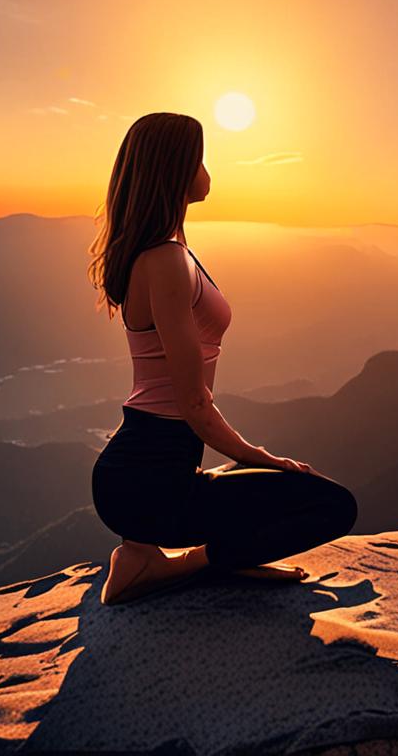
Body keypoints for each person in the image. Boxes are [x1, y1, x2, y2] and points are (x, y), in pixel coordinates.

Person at [86, 112, 359, 604]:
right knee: (333, 507)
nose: (208, 169)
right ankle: (176, 566)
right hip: (148, 484)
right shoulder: (165, 260)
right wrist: (262, 457)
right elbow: (193, 404)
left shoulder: (170, 252)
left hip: (150, 473)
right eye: (199, 157)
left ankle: (146, 554)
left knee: (304, 497)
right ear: (175, 168)